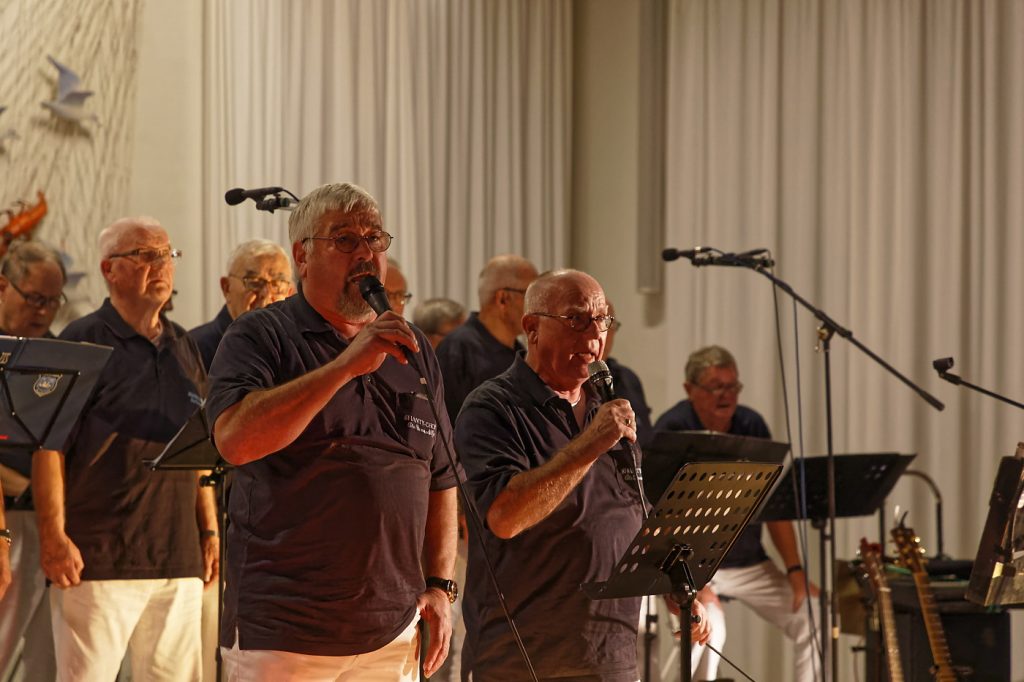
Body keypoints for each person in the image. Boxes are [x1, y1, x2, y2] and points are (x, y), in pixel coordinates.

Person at [206, 182, 458, 681]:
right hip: (285, 636)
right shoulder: (260, 335)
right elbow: (234, 440)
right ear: (302, 256)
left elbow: (441, 476)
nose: (365, 253)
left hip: (394, 631)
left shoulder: (413, 347)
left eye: (374, 238)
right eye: (344, 239)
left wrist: (440, 586)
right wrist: (345, 366)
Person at [455, 269, 710, 681]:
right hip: (523, 658)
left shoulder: (604, 407)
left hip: (610, 653)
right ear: (532, 328)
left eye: (602, 319)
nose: (595, 336)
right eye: (577, 319)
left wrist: (672, 583)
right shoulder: (492, 408)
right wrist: (591, 444)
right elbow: (505, 516)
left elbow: (632, 507)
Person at [32, 217, 219, 681]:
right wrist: (53, 538)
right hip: (97, 557)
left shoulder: (183, 345)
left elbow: (198, 445)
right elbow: (48, 447)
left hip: (177, 556)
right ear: (108, 269)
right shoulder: (81, 340)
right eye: (145, 255)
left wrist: (209, 530)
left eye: (167, 254)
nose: (161, 265)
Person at [654, 345, 819, 682]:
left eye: (732, 386)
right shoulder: (672, 428)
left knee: (814, 613)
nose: (726, 395)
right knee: (709, 629)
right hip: (694, 563)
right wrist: (693, 581)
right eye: (716, 387)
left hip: (748, 561)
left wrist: (795, 570)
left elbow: (772, 505)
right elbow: (662, 516)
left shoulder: (751, 424)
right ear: (689, 389)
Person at [0, 241, 68, 680]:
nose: (44, 311)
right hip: (9, 517)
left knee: (49, 655)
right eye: (35, 298)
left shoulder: (61, 353)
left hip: (53, 519)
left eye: (54, 301)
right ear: (3, 287)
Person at [436, 254, 538, 420]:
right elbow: (445, 420)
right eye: (531, 295)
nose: (537, 306)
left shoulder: (521, 353)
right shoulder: (457, 349)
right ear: (503, 299)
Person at [189, 238, 293, 370]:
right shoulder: (192, 349)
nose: (266, 295)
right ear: (226, 287)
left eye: (277, 284)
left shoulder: (295, 349)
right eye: (254, 282)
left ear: (289, 293)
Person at [601, 300, 653, 448]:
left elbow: (647, 439)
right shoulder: (570, 381)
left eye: (609, 324)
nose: (601, 333)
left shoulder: (628, 378)